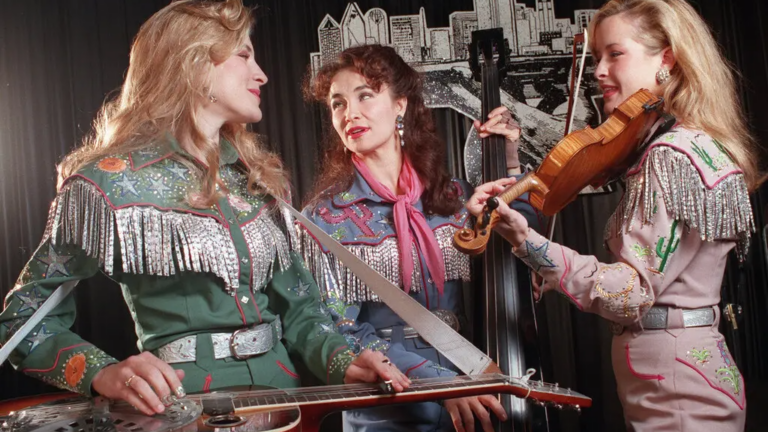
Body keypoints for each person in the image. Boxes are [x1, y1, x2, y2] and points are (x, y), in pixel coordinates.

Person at [0, 0, 408, 418]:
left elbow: (300, 306)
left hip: (286, 404)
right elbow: (22, 323)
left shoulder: (260, 179)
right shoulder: (105, 183)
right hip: (182, 411)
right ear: (194, 62)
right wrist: (104, 373)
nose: (261, 74)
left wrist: (342, 360)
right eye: (244, 55)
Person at [466, 0, 761, 430]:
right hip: (682, 370)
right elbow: (562, 189)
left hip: (676, 381)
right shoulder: (688, 143)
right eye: (597, 57)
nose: (598, 70)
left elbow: (631, 294)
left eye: (614, 54)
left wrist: (523, 238)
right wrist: (514, 162)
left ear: (667, 58)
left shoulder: (669, 154)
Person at [300, 44, 541, 432]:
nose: (351, 114)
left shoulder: (454, 199)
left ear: (400, 104)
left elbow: (519, 255)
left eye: (365, 95)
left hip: (474, 380)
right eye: (338, 104)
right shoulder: (325, 218)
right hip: (387, 400)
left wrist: (510, 161)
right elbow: (336, 327)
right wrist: (440, 383)